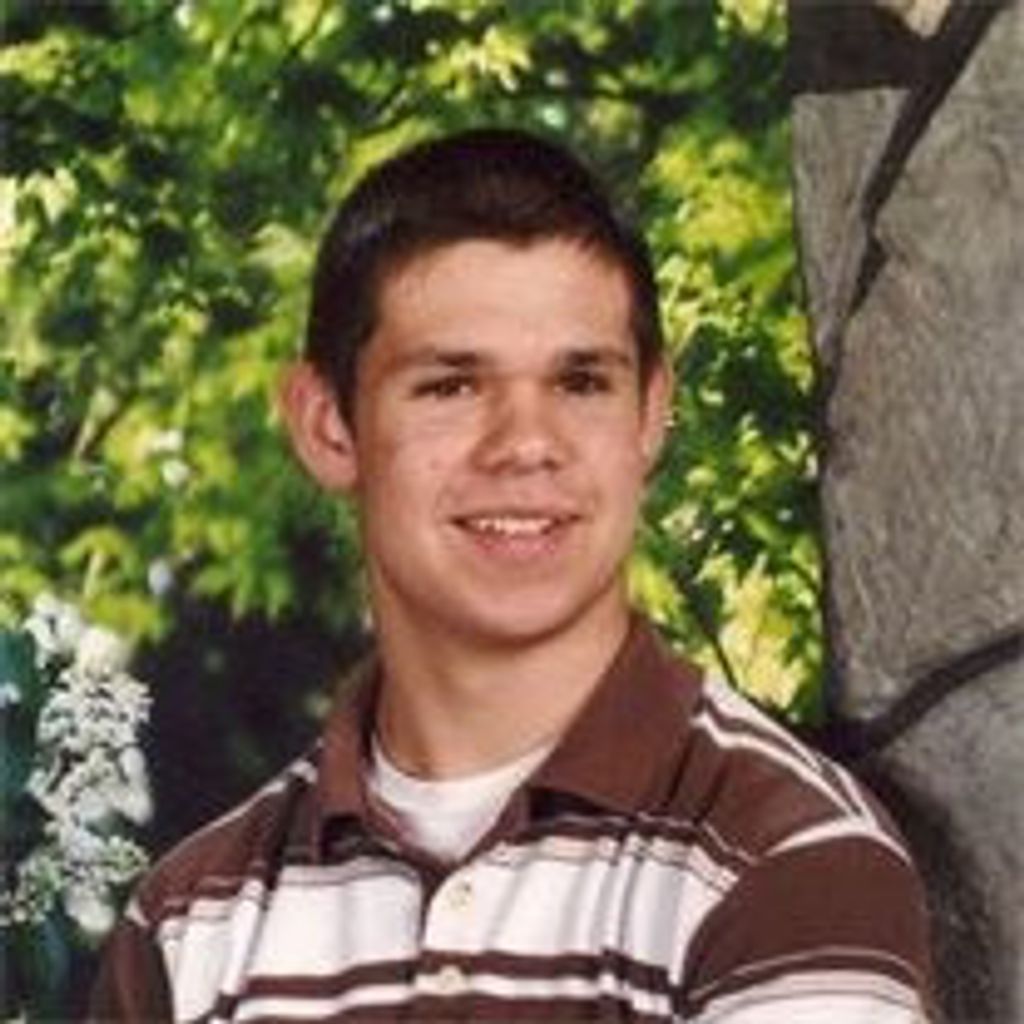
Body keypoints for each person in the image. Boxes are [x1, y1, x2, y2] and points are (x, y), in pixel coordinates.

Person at [91, 128, 934, 1022]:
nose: (528, 444)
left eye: (581, 383)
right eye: (452, 386)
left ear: (651, 414)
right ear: (329, 425)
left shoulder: (788, 857)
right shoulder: (190, 923)